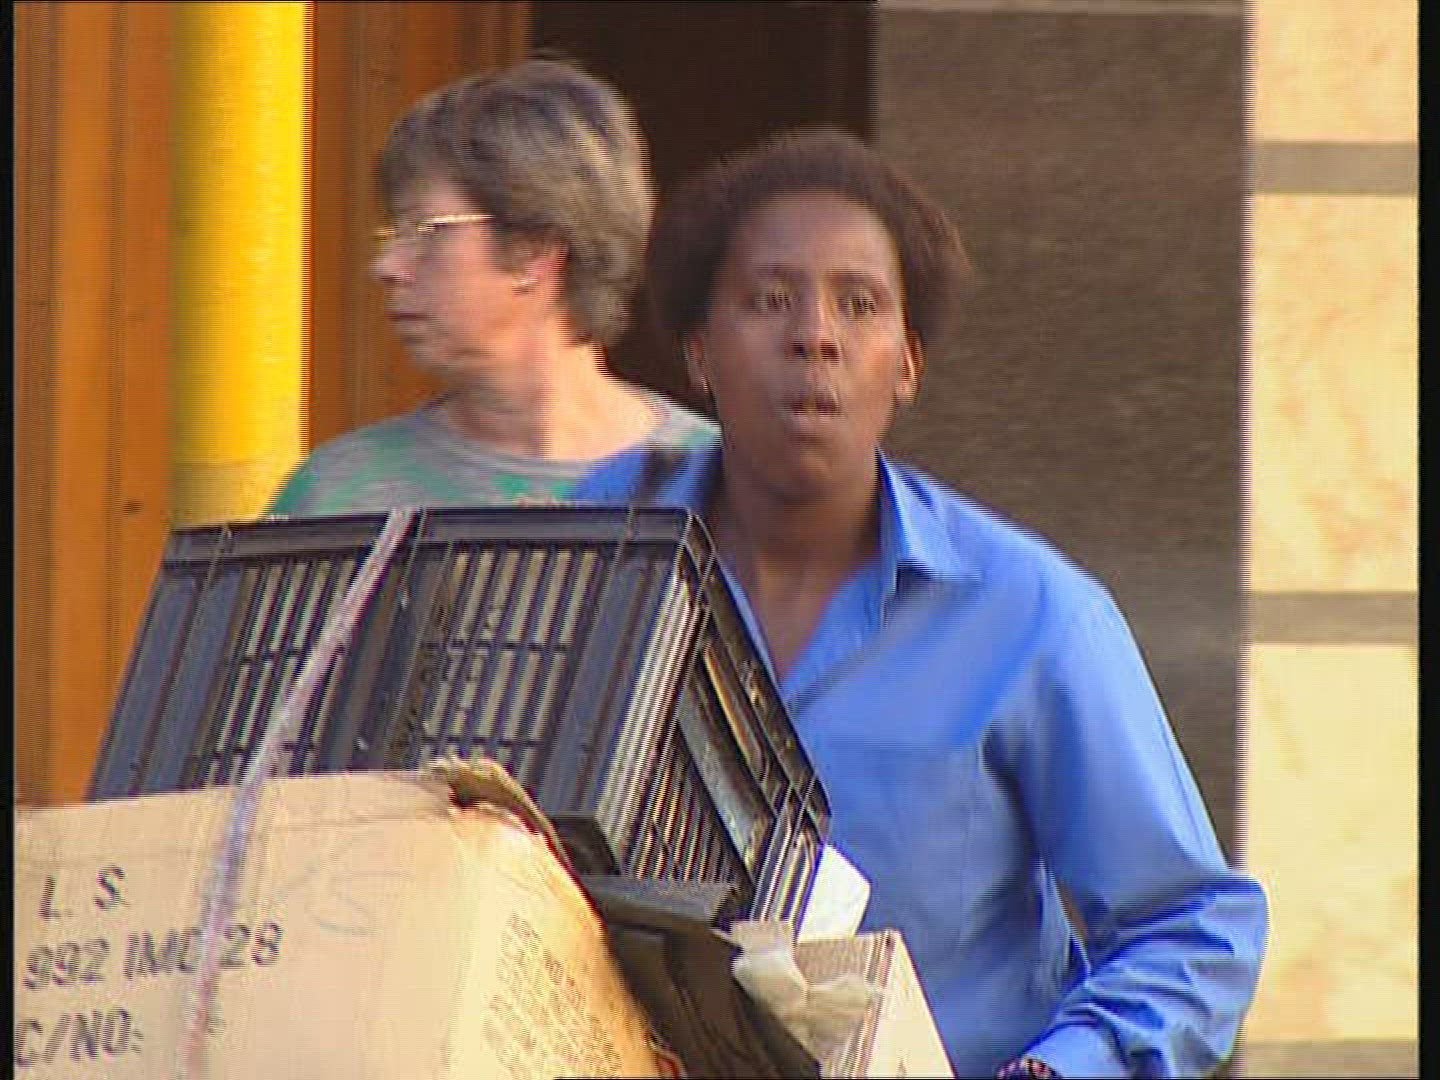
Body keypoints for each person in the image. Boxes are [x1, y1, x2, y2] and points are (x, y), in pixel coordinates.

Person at [576, 128, 1267, 1079]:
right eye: (770, 299)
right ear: (698, 350)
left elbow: (1192, 927)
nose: (814, 335)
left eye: (857, 305)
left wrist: (1061, 1069)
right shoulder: (592, 558)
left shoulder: (1029, 617)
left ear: (905, 364)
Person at [266, 58, 714, 516]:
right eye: (394, 233)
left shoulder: (718, 484)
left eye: (426, 230)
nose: (387, 266)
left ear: (537, 248)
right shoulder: (338, 494)